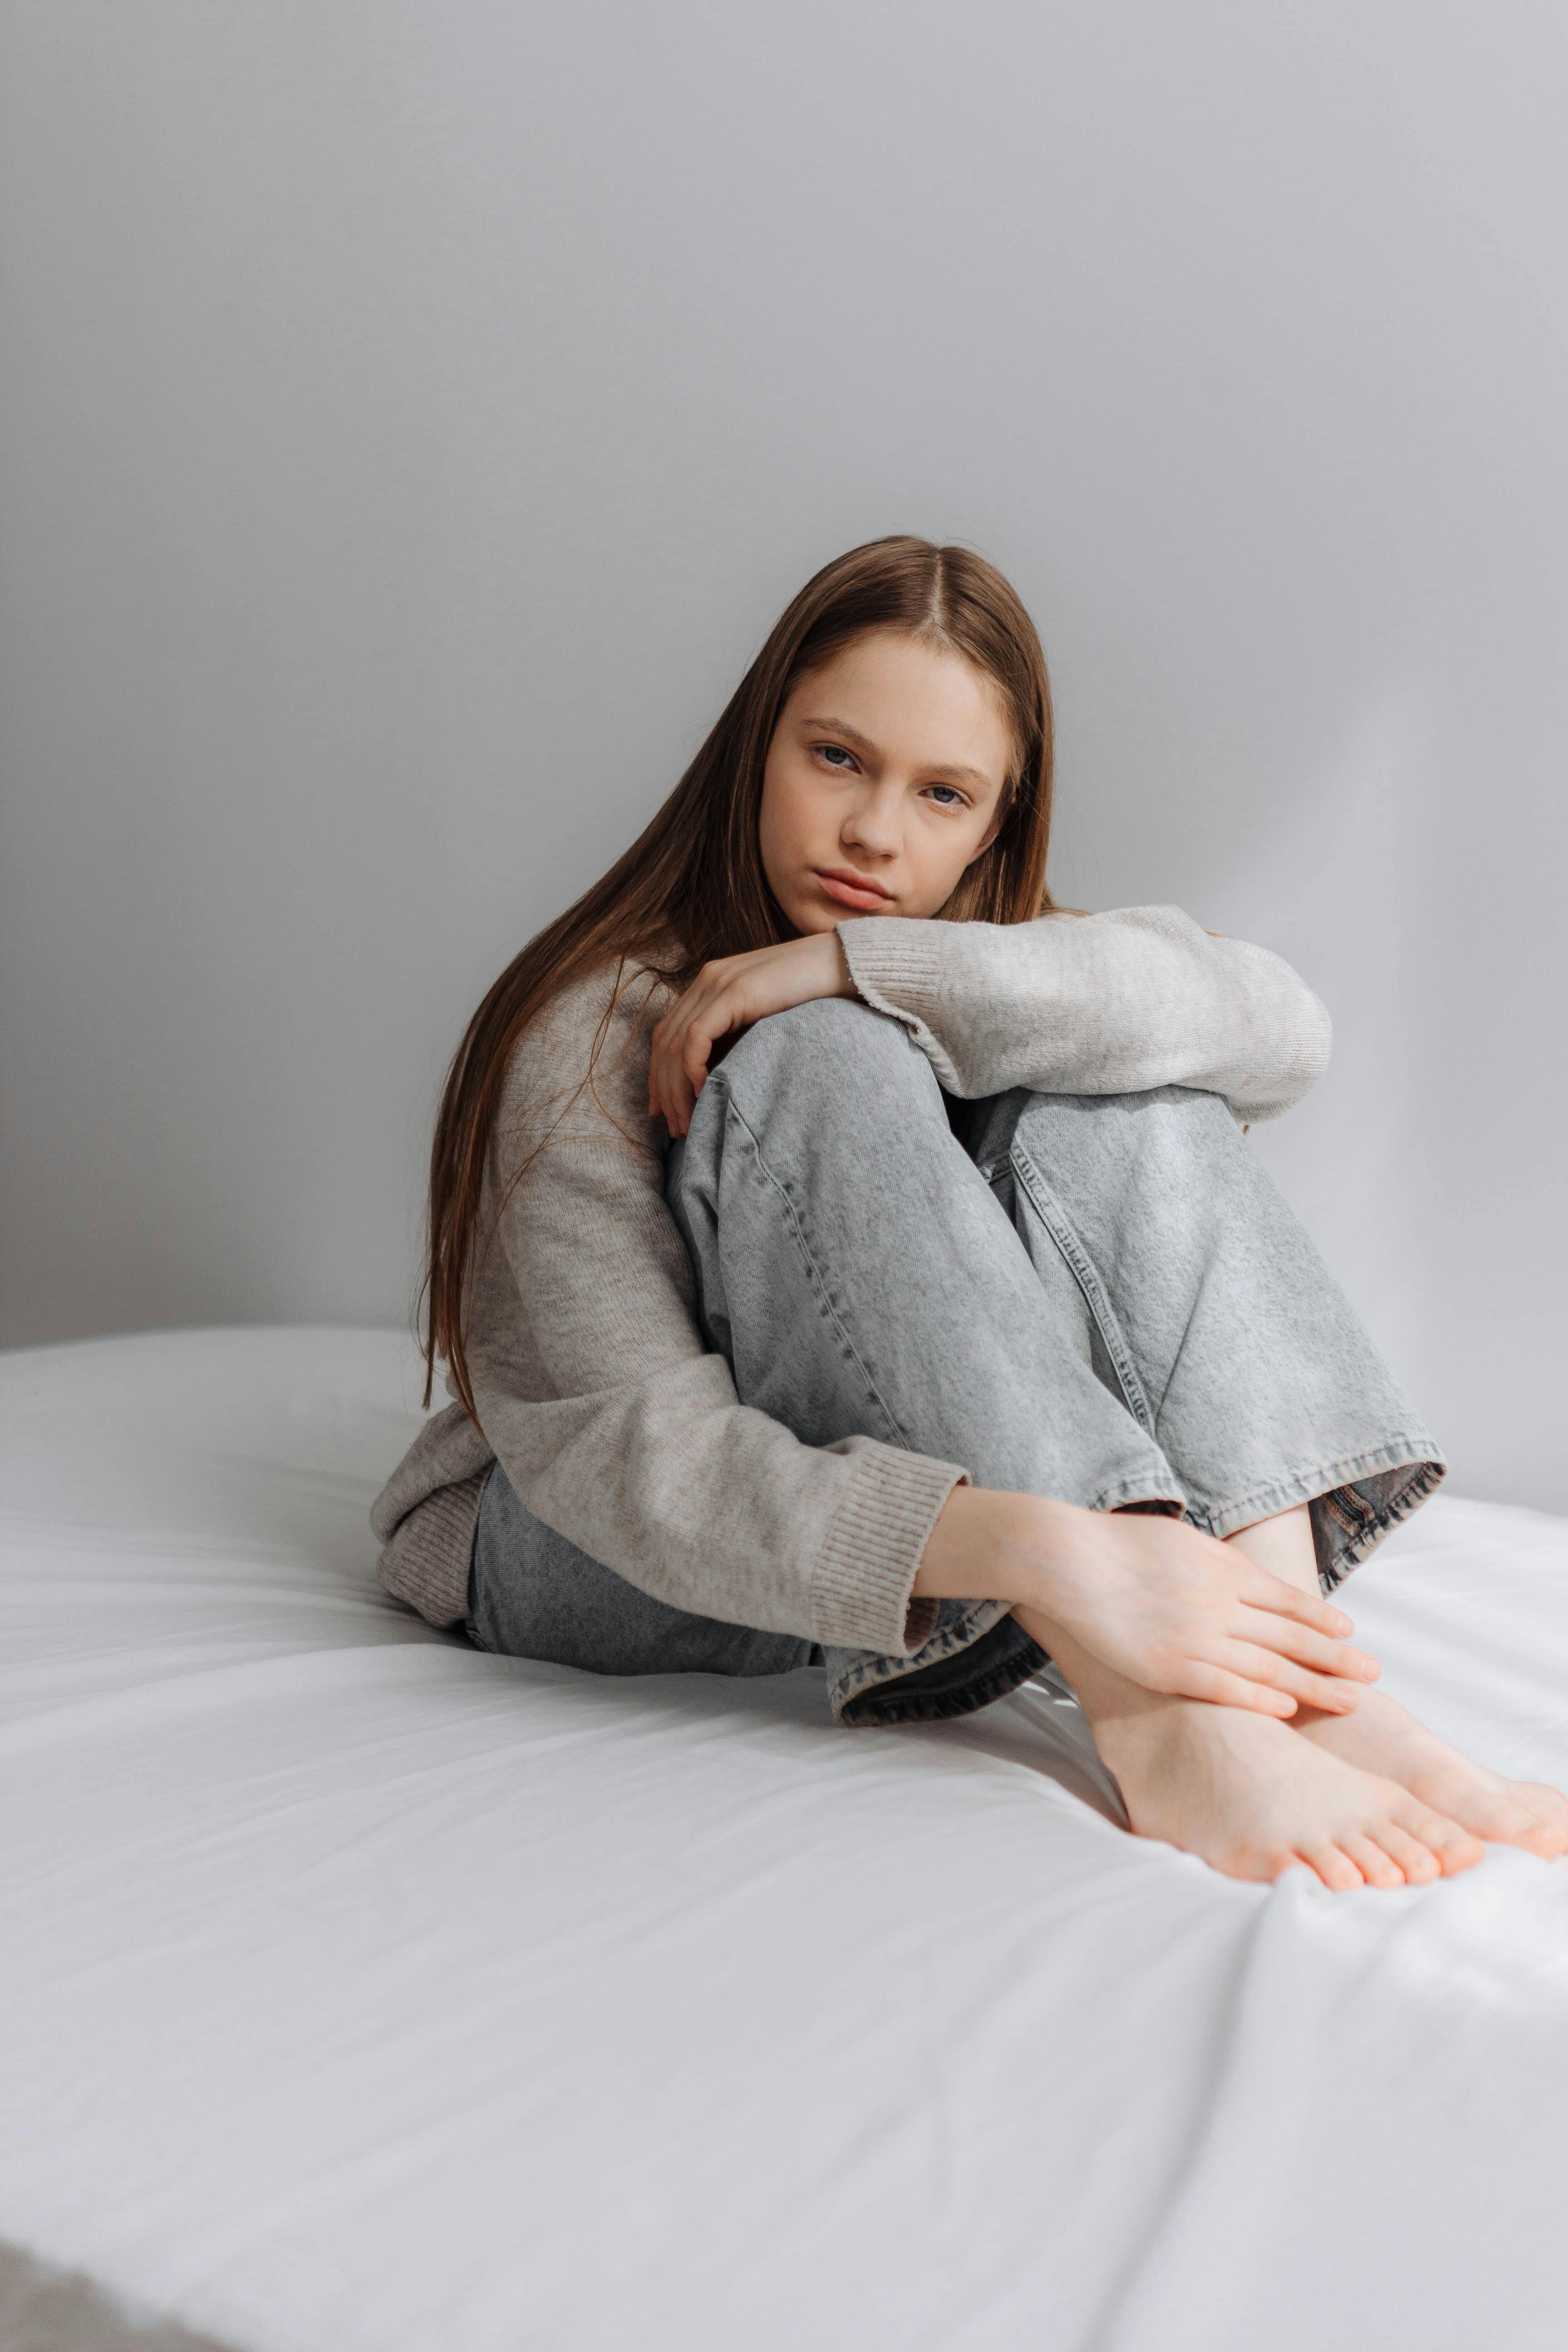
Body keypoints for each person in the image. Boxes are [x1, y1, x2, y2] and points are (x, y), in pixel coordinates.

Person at [372, 535, 1568, 1889]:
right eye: (836, 758)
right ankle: (1162, 1717)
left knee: (1130, 1085)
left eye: (943, 794)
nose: (878, 832)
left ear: (996, 823)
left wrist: (859, 962)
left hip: (865, 1473)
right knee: (820, 1054)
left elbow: (1278, 1027)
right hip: (577, 1528)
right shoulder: (590, 1032)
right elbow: (639, 1462)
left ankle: (1290, 1675)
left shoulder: (944, 968)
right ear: (756, 746)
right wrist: (1051, 1552)